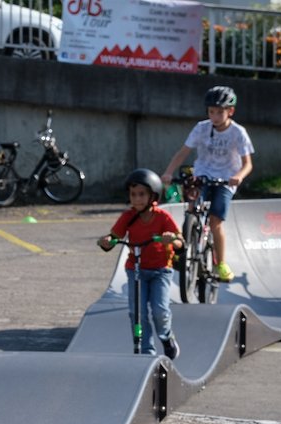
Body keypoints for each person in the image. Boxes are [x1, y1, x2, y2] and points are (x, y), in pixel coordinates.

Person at [160, 85, 254, 283]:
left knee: (215, 221)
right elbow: (183, 152)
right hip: (203, 175)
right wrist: (168, 172)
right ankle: (181, 251)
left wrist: (239, 176)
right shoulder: (201, 128)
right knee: (192, 210)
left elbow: (247, 164)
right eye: (211, 112)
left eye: (220, 112)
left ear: (230, 111)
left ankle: (221, 263)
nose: (215, 116)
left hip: (226, 179)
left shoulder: (238, 133)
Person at [97, 169, 183, 359]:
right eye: (133, 195)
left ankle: (167, 337)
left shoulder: (162, 217)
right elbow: (115, 236)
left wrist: (171, 240)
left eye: (142, 194)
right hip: (135, 270)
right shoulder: (128, 217)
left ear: (153, 195)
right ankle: (146, 351)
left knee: (160, 311)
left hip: (161, 270)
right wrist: (107, 240)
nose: (137, 199)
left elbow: (180, 242)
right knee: (137, 313)